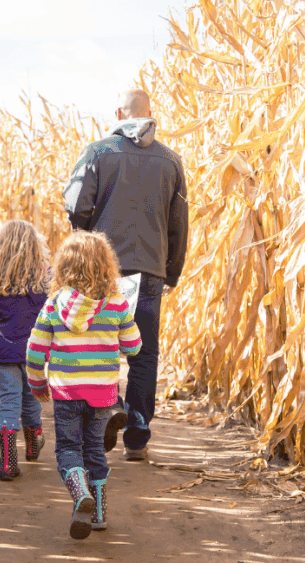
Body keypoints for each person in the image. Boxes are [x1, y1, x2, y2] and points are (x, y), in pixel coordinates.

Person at [62, 88, 189, 462]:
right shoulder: (171, 161)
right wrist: (171, 272)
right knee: (144, 352)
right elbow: (179, 224)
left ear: (119, 112)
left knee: (101, 346)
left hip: (103, 271)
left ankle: (107, 413)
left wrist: (85, 247)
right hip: (150, 271)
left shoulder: (99, 152)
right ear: (150, 114)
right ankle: (137, 435)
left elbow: (76, 206)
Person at [26, 231, 142, 539]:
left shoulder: (53, 306)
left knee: (67, 448)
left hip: (67, 391)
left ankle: (80, 497)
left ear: (64, 267)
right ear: (106, 266)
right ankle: (100, 514)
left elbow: (35, 351)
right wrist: (119, 334)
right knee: (94, 449)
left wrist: (37, 383)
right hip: (102, 392)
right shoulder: (117, 305)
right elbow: (133, 346)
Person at [0, 220, 50, 481]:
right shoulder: (45, 277)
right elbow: (52, 312)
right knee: (32, 400)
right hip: (36, 352)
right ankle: (33, 444)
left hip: (4, 350)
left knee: (9, 401)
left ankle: (8, 462)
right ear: (35, 246)